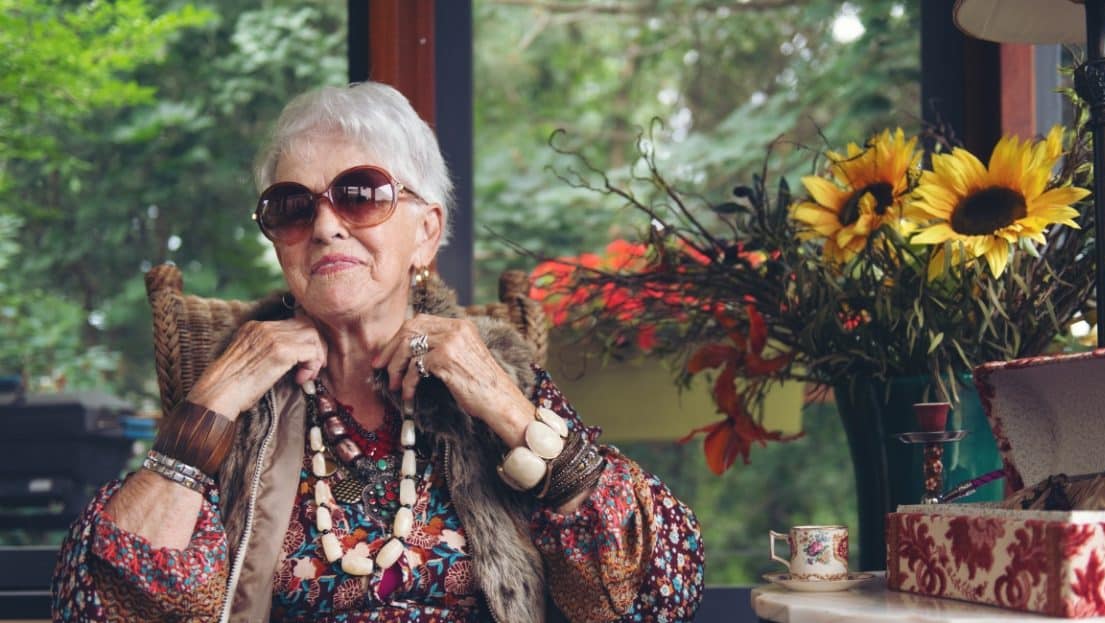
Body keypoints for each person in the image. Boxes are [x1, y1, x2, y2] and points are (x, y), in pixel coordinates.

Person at [51, 81, 704, 622]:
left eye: (360, 195)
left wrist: (505, 404)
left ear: (426, 232)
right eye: (293, 206)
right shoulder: (242, 396)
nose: (325, 225)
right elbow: (97, 605)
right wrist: (217, 394)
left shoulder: (496, 373)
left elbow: (659, 592)